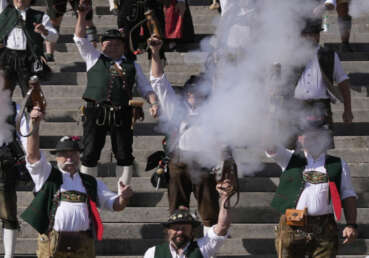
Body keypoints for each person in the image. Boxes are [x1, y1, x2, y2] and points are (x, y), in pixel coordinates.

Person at [21, 105, 134, 258]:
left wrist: (123, 197)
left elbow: (115, 205)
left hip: (83, 246)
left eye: (73, 153)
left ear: (79, 156)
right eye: (64, 154)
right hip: (52, 244)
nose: (69, 158)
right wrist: (34, 125)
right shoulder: (47, 175)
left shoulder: (90, 182)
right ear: (56, 157)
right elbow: (33, 156)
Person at [74, 0, 159, 193]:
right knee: (90, 152)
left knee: (124, 153)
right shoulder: (93, 57)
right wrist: (81, 16)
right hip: (95, 110)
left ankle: (123, 192)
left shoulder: (132, 65)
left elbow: (146, 88)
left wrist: (153, 103)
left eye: (115, 44)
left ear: (123, 46)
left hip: (123, 112)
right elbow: (79, 38)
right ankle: (87, 190)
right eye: (107, 43)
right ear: (101, 45)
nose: (111, 47)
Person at [150, 35, 220, 233]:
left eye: (198, 92)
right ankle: (177, 246)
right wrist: (155, 54)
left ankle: (209, 249)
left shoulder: (214, 111)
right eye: (190, 92)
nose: (194, 96)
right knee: (177, 210)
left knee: (209, 212)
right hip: (179, 160)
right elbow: (159, 83)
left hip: (206, 161)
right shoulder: (176, 110)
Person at [267, 122, 358, 257]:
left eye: (315, 135)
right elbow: (270, 147)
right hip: (292, 223)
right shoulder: (289, 157)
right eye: (305, 135)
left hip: (324, 225)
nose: (310, 138)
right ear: (300, 139)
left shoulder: (338, 163)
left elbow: (348, 194)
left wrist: (351, 224)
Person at [143, 179, 233, 258]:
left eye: (184, 228)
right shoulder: (153, 253)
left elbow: (222, 227)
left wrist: (225, 197)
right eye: (176, 228)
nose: (180, 232)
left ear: (191, 231)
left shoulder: (202, 247)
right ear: (168, 231)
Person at [294, 18, 353, 132]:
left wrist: (348, 109)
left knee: (321, 146)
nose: (313, 37)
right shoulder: (291, 56)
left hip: (321, 107)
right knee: (297, 147)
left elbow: (343, 82)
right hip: (296, 107)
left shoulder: (329, 55)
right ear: (301, 35)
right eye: (309, 34)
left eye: (316, 33)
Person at [0, 0, 58, 97]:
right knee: (2, 96)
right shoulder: (4, 11)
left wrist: (44, 31)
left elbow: (54, 37)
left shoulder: (41, 16)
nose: (20, 0)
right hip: (7, 58)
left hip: (29, 59)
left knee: (31, 97)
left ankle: (31, 110)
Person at [0, 69, 28, 258]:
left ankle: (9, 256)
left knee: (8, 212)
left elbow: (24, 136)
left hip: (5, 162)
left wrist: (27, 159)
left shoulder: (16, 108)